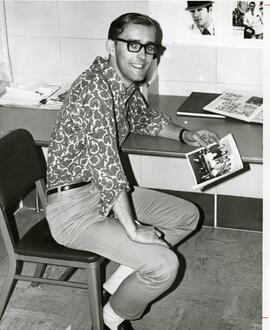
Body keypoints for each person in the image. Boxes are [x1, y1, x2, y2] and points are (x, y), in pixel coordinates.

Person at [45, 12, 219, 330]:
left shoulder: (119, 83)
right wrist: (133, 229)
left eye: (149, 48)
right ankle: (110, 319)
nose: (142, 56)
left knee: (186, 216)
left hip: (100, 192)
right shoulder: (94, 90)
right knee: (164, 265)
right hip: (73, 210)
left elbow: (143, 118)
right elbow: (108, 168)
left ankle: (111, 293)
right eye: (133, 45)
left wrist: (185, 134)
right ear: (112, 46)